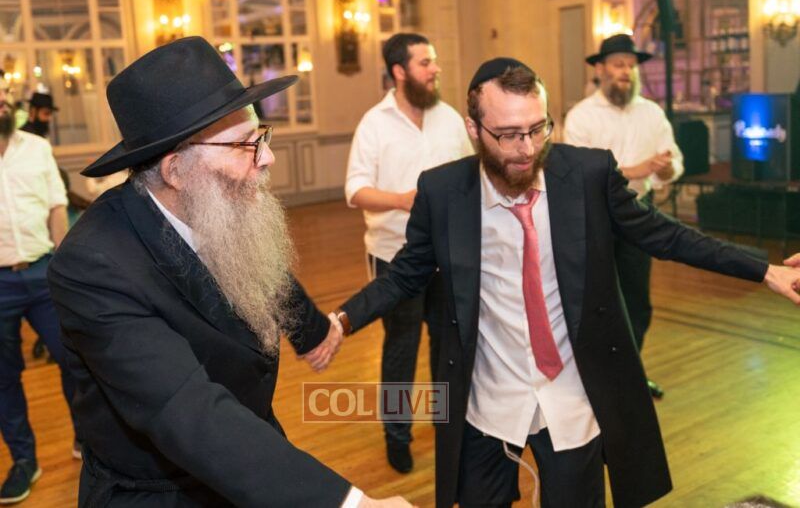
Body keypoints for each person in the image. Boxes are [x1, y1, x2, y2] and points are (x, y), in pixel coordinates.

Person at [319, 58, 800, 508]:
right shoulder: (443, 191)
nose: (527, 149)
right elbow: (405, 273)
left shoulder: (588, 175)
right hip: (486, 401)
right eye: (508, 135)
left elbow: (667, 236)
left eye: (537, 128)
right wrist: (342, 320)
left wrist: (765, 270)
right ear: (474, 130)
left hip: (572, 398)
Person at [46, 37, 411, 508]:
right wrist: (351, 504)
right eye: (245, 145)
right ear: (176, 170)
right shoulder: (93, 265)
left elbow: (259, 268)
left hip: (252, 459)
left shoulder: (209, 206)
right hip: (162, 493)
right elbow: (186, 409)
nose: (268, 157)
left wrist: (312, 331)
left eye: (262, 136)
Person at [345, 32, 472, 473]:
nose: (435, 69)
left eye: (434, 61)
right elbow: (355, 190)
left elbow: (471, 176)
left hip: (447, 254)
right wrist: (403, 200)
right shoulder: (374, 124)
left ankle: (445, 423)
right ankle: (396, 435)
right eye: (425, 63)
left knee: (446, 345)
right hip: (394, 255)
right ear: (399, 71)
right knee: (401, 347)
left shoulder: (450, 119)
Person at [564, 33, 683, 399]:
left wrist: (665, 169)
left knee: (637, 302)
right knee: (597, 303)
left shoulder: (652, 113)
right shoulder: (582, 116)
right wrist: (636, 169)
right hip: (595, 219)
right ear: (600, 69)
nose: (626, 72)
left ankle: (630, 377)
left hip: (638, 215)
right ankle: (594, 382)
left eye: (631, 66)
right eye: (618, 65)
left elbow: (674, 160)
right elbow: (579, 174)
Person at [0, 87, 79, 504]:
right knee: (3, 377)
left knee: (75, 358)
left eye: (3, 93)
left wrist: (63, 269)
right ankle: (24, 461)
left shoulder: (36, 148)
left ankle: (87, 438)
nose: (2, 100)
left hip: (42, 270)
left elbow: (56, 207)